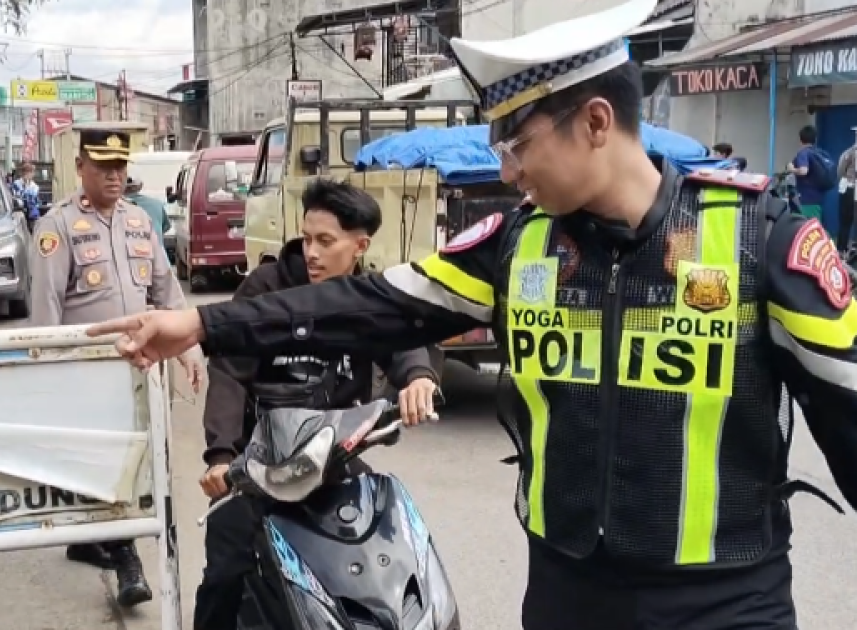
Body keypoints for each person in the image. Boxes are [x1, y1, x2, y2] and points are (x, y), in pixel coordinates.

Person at [85, 0, 857, 627]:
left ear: (596, 122)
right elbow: (369, 305)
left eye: (519, 144)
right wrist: (205, 325)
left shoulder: (763, 244)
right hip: (567, 595)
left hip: (724, 603)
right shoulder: (519, 247)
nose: (507, 169)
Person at [193, 178, 440, 630]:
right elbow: (229, 370)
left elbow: (404, 341)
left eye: (326, 242)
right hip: (259, 466)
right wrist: (222, 455)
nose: (312, 252)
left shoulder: (370, 295)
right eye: (307, 239)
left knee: (387, 553)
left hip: (336, 458)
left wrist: (419, 379)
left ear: (360, 246)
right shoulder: (266, 288)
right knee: (226, 572)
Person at [26, 126, 204, 608]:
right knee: (113, 465)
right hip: (88, 374)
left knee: (139, 463)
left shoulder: (139, 221)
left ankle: (89, 540)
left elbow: (166, 291)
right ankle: (128, 560)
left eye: (120, 166)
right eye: (103, 166)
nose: (113, 176)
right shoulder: (57, 226)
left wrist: (189, 346)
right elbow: (45, 311)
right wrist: (45, 375)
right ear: (80, 167)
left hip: (140, 370)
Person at [788, 125, 835, 223]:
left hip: (806, 199)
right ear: (815, 139)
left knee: (806, 226)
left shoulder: (803, 153)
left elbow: (803, 171)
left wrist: (792, 169)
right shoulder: (821, 153)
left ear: (800, 140)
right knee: (815, 225)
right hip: (819, 198)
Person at [124, 176, 171, 261]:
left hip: (129, 255)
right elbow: (166, 227)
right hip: (157, 253)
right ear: (137, 188)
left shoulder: (117, 206)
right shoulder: (156, 203)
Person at [837, 129, 857, 253]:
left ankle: (842, 249)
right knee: (847, 221)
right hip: (850, 189)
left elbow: (840, 172)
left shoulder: (848, 153)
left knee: (845, 221)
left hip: (849, 188)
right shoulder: (849, 153)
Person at [11, 162, 42, 231]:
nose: (28, 175)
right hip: (19, 211)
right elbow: (15, 196)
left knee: (34, 227)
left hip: (31, 213)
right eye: (26, 173)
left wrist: (27, 187)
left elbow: (33, 199)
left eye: (30, 173)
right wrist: (25, 187)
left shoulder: (35, 186)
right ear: (22, 173)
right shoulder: (16, 184)